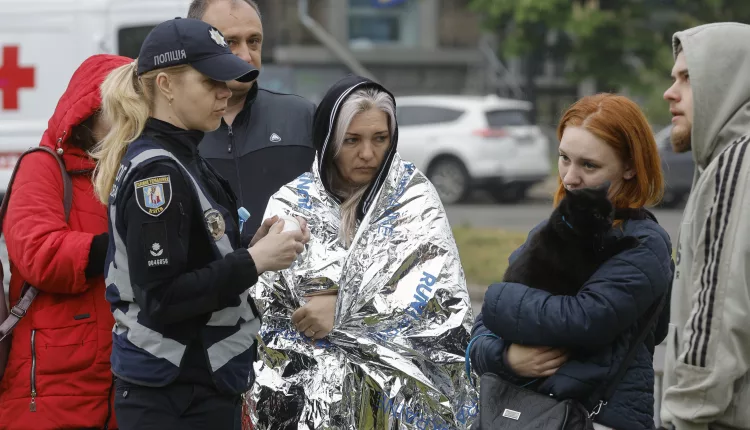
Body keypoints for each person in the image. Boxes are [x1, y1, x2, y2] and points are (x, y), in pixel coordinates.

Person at [89, 18, 309, 429]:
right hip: (174, 395)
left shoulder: (183, 153)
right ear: (166, 85)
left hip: (194, 387)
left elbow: (196, 256)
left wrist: (254, 246)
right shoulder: (158, 172)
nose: (225, 92)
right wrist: (254, 261)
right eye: (210, 81)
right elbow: (163, 298)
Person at [246, 75, 478, 429]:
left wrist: (342, 314)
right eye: (351, 140)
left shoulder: (413, 200)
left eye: (379, 139)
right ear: (328, 141)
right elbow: (270, 312)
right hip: (313, 409)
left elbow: (438, 308)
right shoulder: (292, 204)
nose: (368, 154)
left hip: (402, 410)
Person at [469, 94, 673, 430]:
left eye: (589, 165)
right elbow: (478, 338)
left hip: (596, 419)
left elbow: (583, 319)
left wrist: (496, 299)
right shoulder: (554, 228)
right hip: (531, 416)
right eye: (564, 158)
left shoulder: (644, 243)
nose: (569, 177)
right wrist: (507, 358)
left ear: (630, 167)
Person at [0, 54, 131, 430]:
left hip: (122, 382)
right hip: (50, 384)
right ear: (89, 114)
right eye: (120, 109)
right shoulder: (43, 166)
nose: (131, 121)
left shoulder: (137, 171)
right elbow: (38, 253)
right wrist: (123, 248)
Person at [660, 23, 750, 430]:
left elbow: (719, 309)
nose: (670, 92)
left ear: (728, 83)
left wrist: (684, 414)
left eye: (687, 78)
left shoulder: (738, 162)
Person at [188, 0, 316, 238]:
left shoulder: (303, 118)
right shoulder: (174, 131)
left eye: (253, 41)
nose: (246, 56)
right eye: (230, 43)